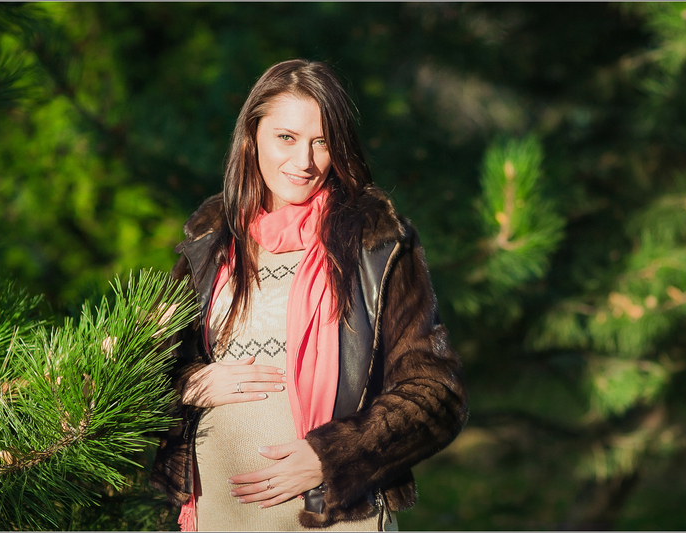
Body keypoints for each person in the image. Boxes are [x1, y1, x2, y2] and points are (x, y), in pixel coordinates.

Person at [150, 59, 468, 531]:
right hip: (220, 516)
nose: (304, 161)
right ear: (252, 135)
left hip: (337, 519)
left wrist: (333, 457)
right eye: (286, 137)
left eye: (322, 142)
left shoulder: (375, 244)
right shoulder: (210, 240)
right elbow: (142, 373)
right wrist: (188, 385)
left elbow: (437, 393)